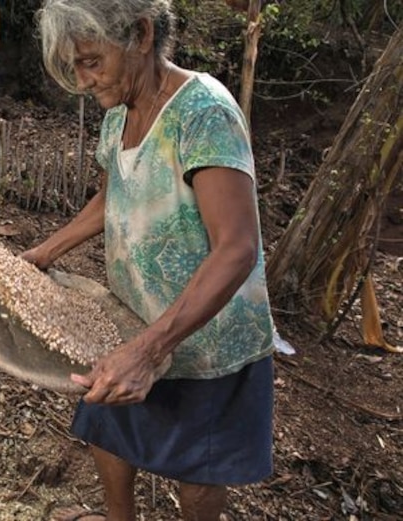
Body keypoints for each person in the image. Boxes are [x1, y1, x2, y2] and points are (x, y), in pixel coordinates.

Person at [22, 1, 276, 520]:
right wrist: (44, 253)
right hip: (132, 318)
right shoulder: (118, 114)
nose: (84, 79)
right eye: (76, 65)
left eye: (91, 60)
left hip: (207, 339)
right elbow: (114, 192)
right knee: (108, 426)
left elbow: (237, 247)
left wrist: (150, 348)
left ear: (140, 35)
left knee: (199, 471)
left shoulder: (204, 113)